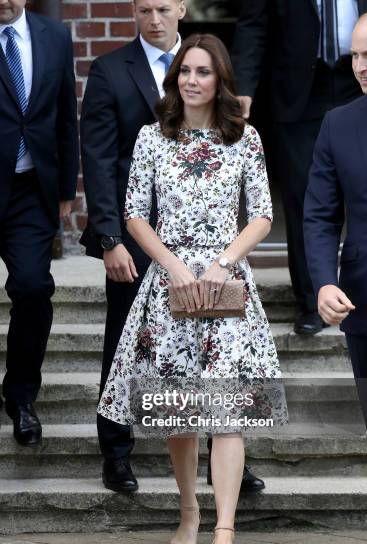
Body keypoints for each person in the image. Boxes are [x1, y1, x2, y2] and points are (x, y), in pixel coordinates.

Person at [98, 33, 288, 544]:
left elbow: (262, 214)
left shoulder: (244, 138)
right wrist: (176, 267)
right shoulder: (152, 138)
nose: (192, 80)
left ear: (220, 79)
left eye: (203, 71)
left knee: (227, 410)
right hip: (170, 285)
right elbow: (135, 214)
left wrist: (222, 262)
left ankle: (225, 534)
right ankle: (189, 512)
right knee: (179, 412)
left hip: (227, 286)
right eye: (184, 70)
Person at [80, 0, 264, 495]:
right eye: (144, 9)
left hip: (218, 256)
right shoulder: (109, 70)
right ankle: (117, 453)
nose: (153, 18)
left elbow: (258, 205)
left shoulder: (214, 78)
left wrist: (225, 260)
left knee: (219, 365)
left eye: (162, 8)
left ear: (181, 10)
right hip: (142, 242)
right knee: (129, 349)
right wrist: (109, 238)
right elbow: (97, 157)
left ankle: (227, 466)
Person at [232, 0, 367, 335]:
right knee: (305, 197)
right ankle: (316, 298)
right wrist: (243, 86)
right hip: (299, 89)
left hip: (361, 77)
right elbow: (253, 24)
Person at [304, 9, 367, 486]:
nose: (359, 66)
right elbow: (319, 214)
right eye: (356, 55)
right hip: (366, 302)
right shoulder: (338, 123)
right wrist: (324, 281)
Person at [0, 0, 78, 444]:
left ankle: (21, 395)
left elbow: (66, 113)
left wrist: (66, 188)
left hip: (31, 190)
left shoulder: (55, 36)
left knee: (32, 288)